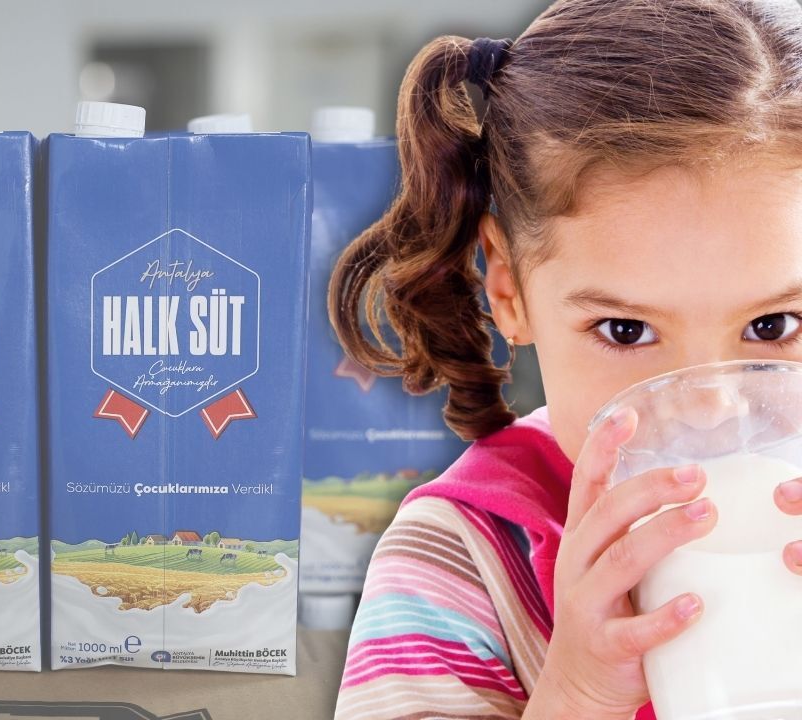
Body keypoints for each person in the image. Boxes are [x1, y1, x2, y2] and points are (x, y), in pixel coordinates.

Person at [328, 0, 802, 717]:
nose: (712, 410)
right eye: (626, 331)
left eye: (772, 326)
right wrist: (578, 692)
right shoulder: (462, 561)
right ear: (509, 288)